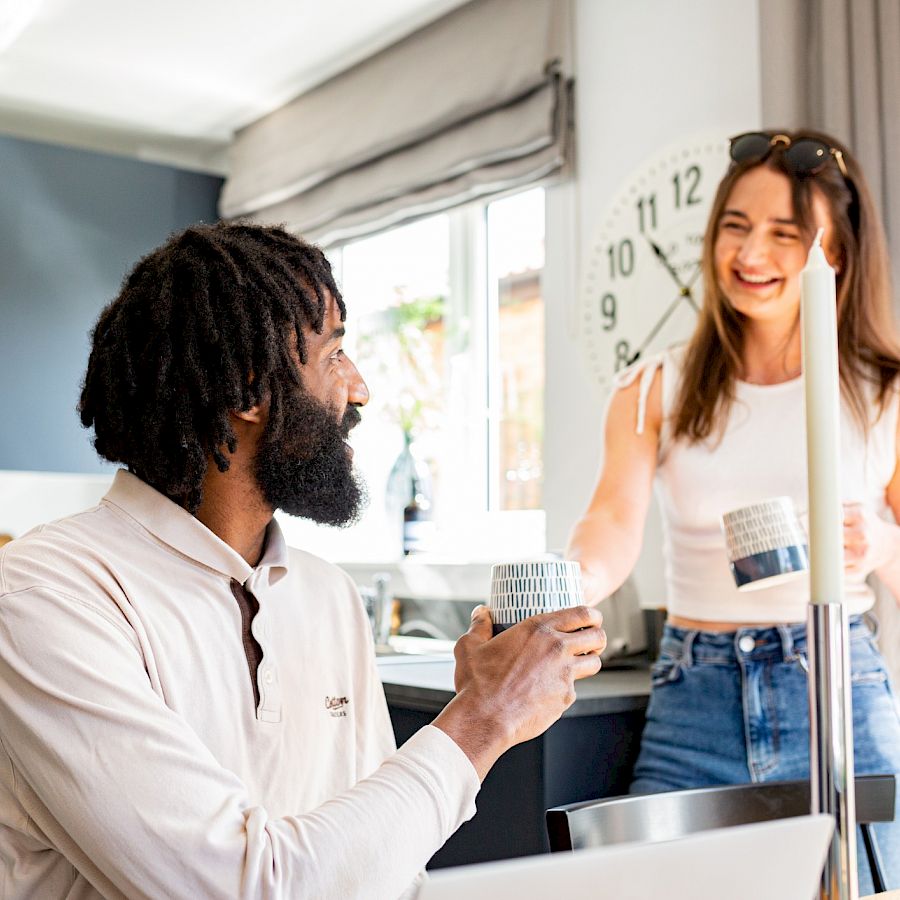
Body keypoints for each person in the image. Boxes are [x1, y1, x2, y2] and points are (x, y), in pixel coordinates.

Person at [0, 222, 606, 900]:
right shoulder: (44, 598)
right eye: (335, 355)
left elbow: (384, 869)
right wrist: (483, 718)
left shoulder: (326, 595)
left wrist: (475, 707)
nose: (360, 390)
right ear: (247, 391)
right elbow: (237, 888)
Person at [567, 129, 900, 891]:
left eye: (785, 234)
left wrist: (878, 543)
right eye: (735, 226)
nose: (751, 254)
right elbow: (613, 518)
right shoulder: (655, 389)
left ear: (836, 255)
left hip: (843, 692)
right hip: (697, 698)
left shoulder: (884, 392)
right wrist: (575, 577)